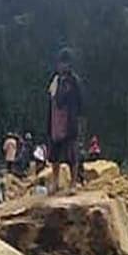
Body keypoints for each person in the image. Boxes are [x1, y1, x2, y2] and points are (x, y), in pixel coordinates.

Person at [45, 47, 83, 194]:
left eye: (64, 63)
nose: (61, 66)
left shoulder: (74, 82)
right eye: (60, 63)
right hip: (55, 122)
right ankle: (55, 182)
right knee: (54, 156)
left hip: (69, 122)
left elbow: (80, 102)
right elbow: (51, 101)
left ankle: (73, 183)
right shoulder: (55, 81)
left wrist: (77, 119)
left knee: (72, 155)